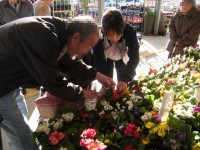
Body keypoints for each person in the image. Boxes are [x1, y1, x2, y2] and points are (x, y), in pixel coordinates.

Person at [0, 16, 116, 150]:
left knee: (19, 121)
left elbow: (67, 62)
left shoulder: (61, 34)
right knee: (22, 135)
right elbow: (52, 81)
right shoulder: (43, 36)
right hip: (2, 85)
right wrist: (83, 93)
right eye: (88, 46)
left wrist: (96, 75)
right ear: (76, 37)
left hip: (10, 79)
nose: (86, 52)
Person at [91, 9, 140, 92]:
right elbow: (98, 59)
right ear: (103, 30)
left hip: (122, 57)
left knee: (123, 84)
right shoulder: (97, 34)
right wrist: (104, 79)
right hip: (106, 58)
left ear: (122, 29)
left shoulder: (130, 31)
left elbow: (134, 57)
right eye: (110, 35)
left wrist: (124, 79)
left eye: (118, 35)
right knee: (108, 84)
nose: (114, 39)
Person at [0, 0, 34, 117]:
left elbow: (32, 25)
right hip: (8, 52)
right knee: (13, 88)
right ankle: (20, 116)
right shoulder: (1, 7)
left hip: (24, 50)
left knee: (19, 85)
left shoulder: (28, 5)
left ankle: (23, 116)